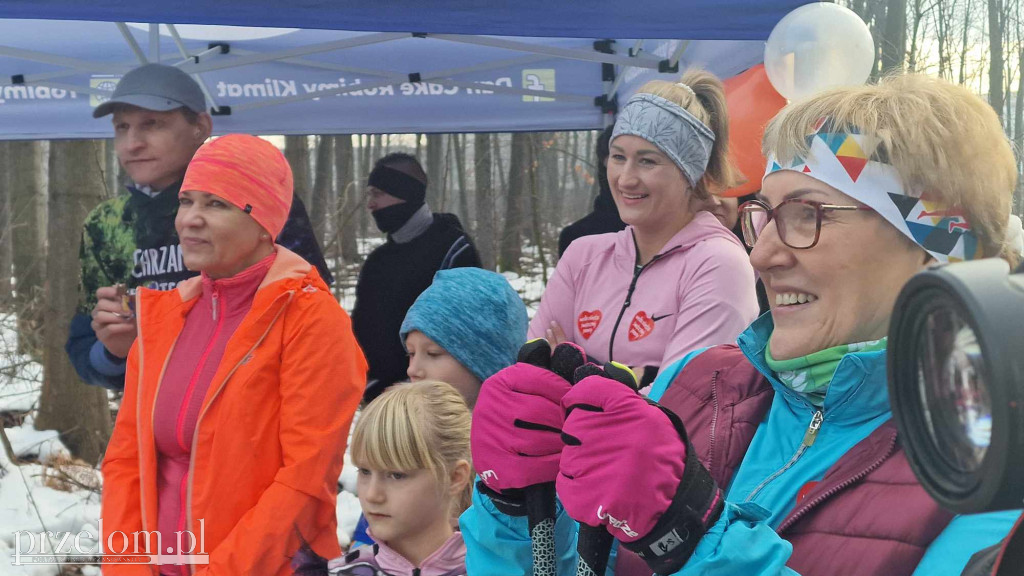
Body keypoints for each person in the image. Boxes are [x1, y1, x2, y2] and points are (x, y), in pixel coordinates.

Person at [464, 73, 1021, 575]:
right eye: (766, 216)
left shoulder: (990, 469)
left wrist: (690, 537)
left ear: (936, 247)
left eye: (808, 214)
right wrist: (522, 510)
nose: (762, 257)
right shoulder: (698, 384)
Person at [101, 134, 366, 576]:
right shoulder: (165, 318)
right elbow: (126, 460)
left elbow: (305, 481)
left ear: (264, 221)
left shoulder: (310, 320)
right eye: (186, 201)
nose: (190, 220)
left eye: (217, 204)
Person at [67, 63, 331, 391]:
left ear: (200, 126)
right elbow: (82, 353)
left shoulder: (255, 198)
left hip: (253, 418)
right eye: (122, 127)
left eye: (152, 124)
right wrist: (114, 352)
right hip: (152, 429)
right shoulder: (106, 223)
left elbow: (315, 322)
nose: (132, 143)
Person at [529, 70, 759, 389]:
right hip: (560, 440)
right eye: (618, 157)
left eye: (647, 161)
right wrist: (634, 379)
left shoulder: (719, 264)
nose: (625, 178)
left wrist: (573, 372)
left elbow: (677, 402)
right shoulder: (583, 256)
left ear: (689, 173)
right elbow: (530, 379)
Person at [292, 380, 472, 576]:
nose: (372, 495)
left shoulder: (492, 569)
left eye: (396, 475)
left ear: (454, 477)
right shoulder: (339, 572)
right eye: (365, 471)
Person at [352, 152, 482, 402]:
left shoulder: (454, 251)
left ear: (405, 193)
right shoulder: (377, 261)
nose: (370, 204)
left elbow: (469, 335)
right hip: (383, 400)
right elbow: (363, 331)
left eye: (377, 194)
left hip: (438, 401)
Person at [558, 126, 627, 257]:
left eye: (646, 161)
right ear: (604, 166)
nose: (630, 178)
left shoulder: (671, 235)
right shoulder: (576, 238)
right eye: (619, 158)